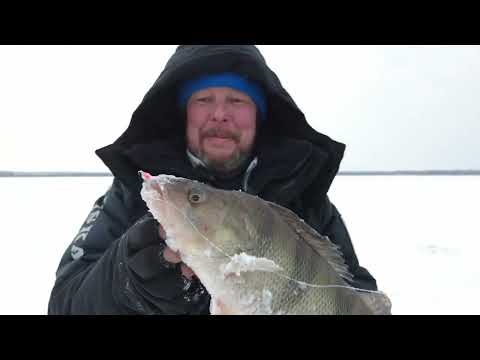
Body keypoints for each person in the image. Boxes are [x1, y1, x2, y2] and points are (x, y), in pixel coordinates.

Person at [48, 45, 378, 315]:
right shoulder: (129, 196)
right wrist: (129, 276)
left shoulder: (306, 196)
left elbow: (355, 295)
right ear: (185, 114)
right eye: (203, 99)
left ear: (259, 117)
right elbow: (64, 303)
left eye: (237, 100)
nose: (220, 114)